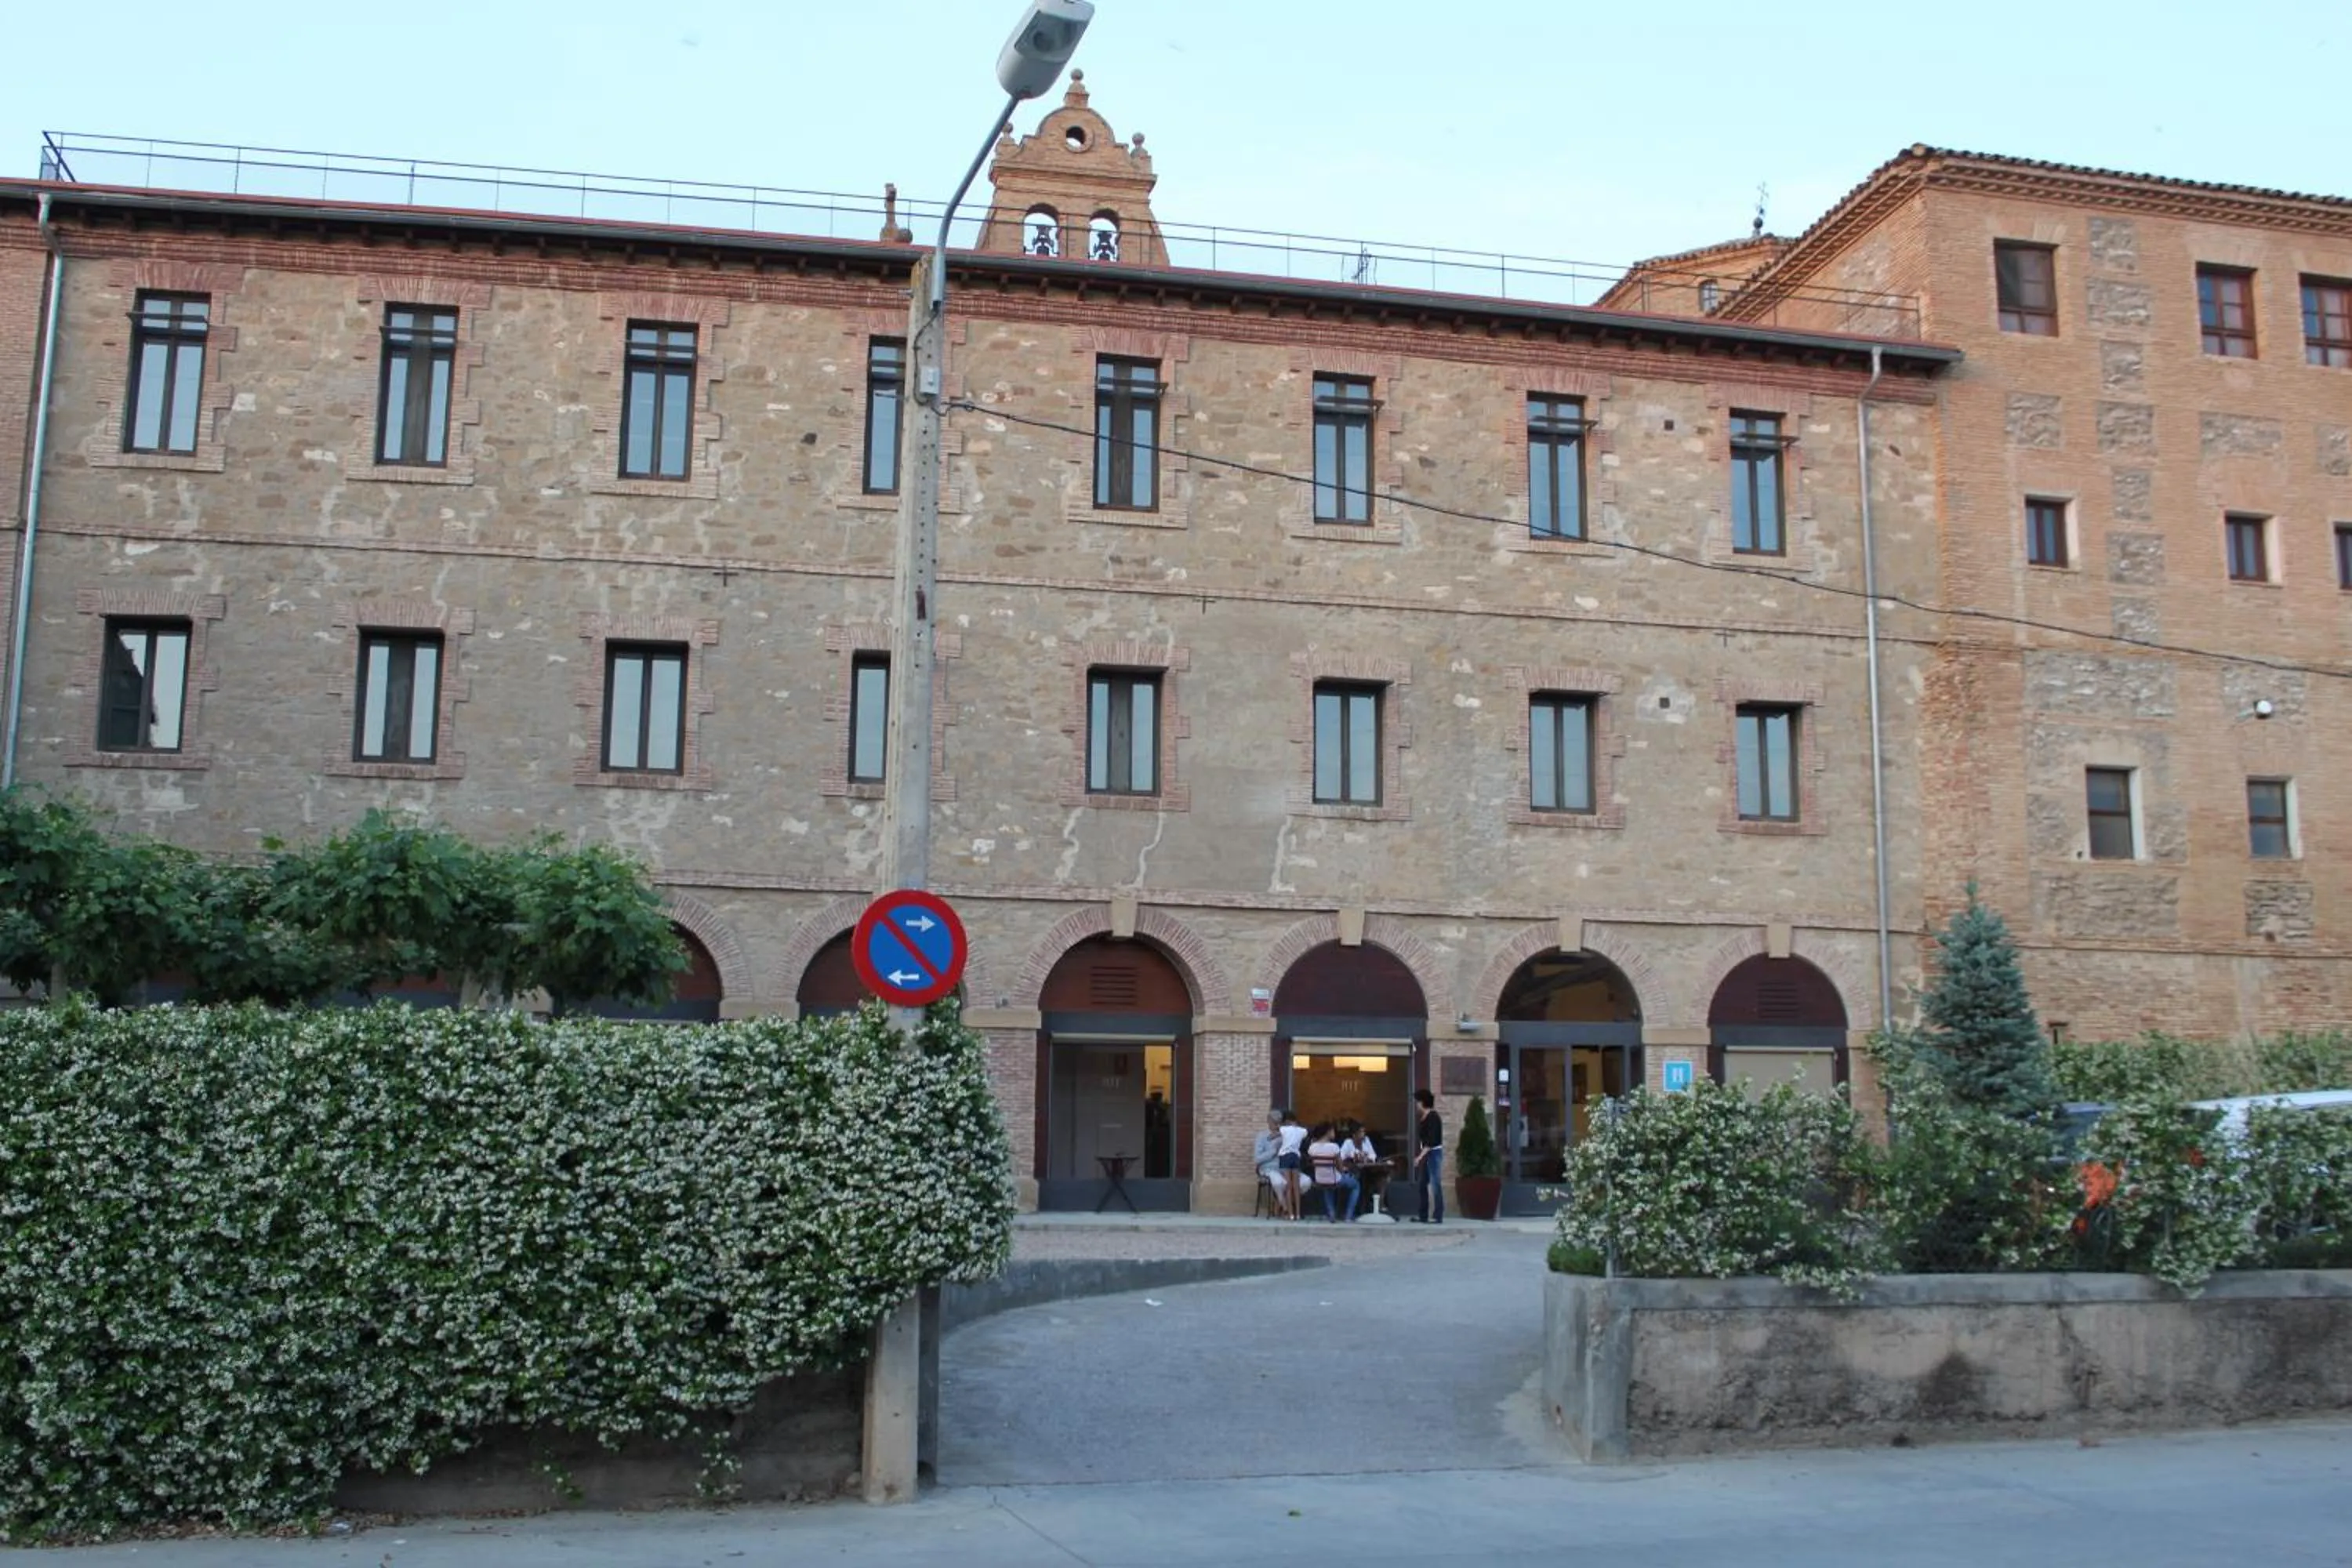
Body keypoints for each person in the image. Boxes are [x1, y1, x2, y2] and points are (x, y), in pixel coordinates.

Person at [1307, 1123, 1356, 1223]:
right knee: (1356, 1185)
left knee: (1328, 1187)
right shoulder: (1334, 1147)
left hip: (1320, 1179)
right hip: (1334, 1179)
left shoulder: (1312, 1148)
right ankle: (1349, 1215)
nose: (1335, 1133)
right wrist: (1345, 1169)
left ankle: (1332, 1214)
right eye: (1333, 1131)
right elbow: (1341, 1168)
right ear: (1328, 1132)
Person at [1411, 1087, 1445, 1224]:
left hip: (1433, 1154)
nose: (1416, 1105)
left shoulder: (1433, 1117)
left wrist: (1419, 1157)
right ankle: (1423, 1215)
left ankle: (1438, 1215)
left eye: (1417, 1102)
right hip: (1426, 1153)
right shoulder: (1424, 1117)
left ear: (1422, 1102)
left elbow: (1431, 1141)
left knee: (1435, 1184)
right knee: (1422, 1184)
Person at [1276, 1108, 1308, 1220]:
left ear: (1286, 1121)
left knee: (1288, 1186)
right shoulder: (1302, 1130)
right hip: (1295, 1156)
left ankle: (1290, 1214)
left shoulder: (1283, 1129)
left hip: (1285, 1156)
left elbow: (1276, 1131)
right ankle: (1298, 1213)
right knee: (1296, 1186)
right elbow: (1305, 1135)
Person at [1252, 1109, 1287, 1214]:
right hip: (1268, 1168)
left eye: (1279, 1123)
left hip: (1285, 1169)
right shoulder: (1262, 1137)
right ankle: (1285, 1206)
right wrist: (1273, 1151)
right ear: (1269, 1121)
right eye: (1275, 1123)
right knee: (1279, 1182)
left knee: (1304, 1182)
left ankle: (1277, 1204)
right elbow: (1257, 1159)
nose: (1277, 1125)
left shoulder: (1284, 1135)